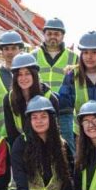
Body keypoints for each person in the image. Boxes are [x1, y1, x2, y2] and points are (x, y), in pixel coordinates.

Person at [57, 31, 96, 141]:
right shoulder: (72, 76)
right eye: (85, 52)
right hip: (83, 137)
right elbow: (64, 106)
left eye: (94, 52)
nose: (89, 57)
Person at [32, 18, 79, 154]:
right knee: (40, 150)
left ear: (62, 36)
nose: (53, 36)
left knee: (67, 150)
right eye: (50, 33)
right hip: (39, 112)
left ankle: (70, 176)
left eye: (57, 34)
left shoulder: (74, 58)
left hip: (64, 113)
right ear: (44, 34)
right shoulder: (33, 56)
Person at [3, 53, 60, 145]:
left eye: (27, 73)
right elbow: (11, 133)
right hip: (21, 147)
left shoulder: (50, 98)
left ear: (34, 75)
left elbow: (54, 133)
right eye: (20, 74)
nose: (23, 78)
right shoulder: (9, 99)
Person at [0, 31, 25, 137]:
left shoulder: (29, 76)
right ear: (2, 52)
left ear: (20, 50)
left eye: (13, 48)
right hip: (1, 135)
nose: (10, 52)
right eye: (6, 49)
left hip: (25, 134)